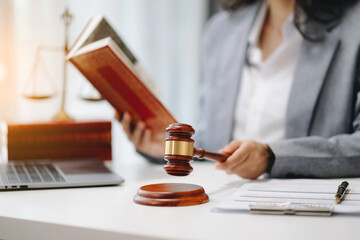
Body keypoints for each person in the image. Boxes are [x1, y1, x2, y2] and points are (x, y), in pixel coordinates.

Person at [118, 0, 360, 179]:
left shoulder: (353, 28)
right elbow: (215, 141)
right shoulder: (221, 31)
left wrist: (272, 156)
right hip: (221, 209)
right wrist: (169, 148)